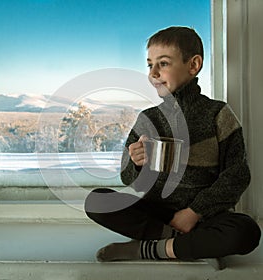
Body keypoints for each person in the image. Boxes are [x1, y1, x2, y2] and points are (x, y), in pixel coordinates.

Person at [84, 26, 261, 269]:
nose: (153, 73)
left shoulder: (218, 114)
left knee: (246, 231)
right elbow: (127, 178)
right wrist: (135, 164)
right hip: (159, 213)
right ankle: (186, 245)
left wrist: (194, 212)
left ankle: (149, 248)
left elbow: (237, 175)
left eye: (163, 63)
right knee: (97, 201)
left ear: (193, 65)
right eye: (149, 65)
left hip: (206, 215)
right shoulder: (148, 118)